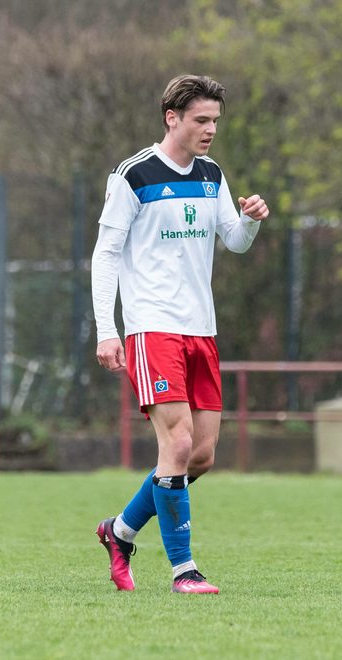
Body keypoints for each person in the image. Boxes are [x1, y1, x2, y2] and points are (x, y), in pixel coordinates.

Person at [91, 74, 269, 594]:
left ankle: (120, 532)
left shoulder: (212, 174)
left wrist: (250, 219)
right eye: (201, 120)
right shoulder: (133, 176)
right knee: (178, 440)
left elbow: (233, 241)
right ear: (173, 118)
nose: (210, 129)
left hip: (201, 329)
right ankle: (183, 570)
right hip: (152, 329)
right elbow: (105, 254)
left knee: (201, 456)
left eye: (215, 120)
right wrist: (109, 329)